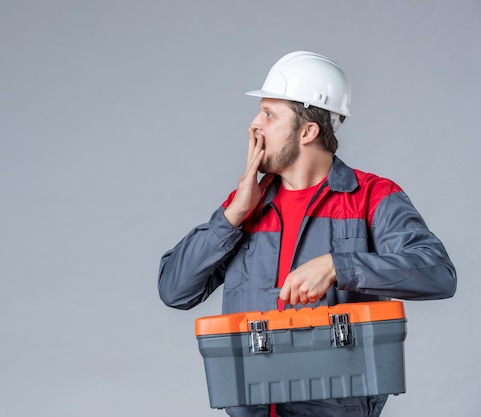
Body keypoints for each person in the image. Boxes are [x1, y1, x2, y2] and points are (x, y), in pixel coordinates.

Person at [157, 51, 457, 417]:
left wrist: (339, 266)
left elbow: (437, 273)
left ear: (308, 131)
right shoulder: (246, 206)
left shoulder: (372, 198)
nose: (254, 124)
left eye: (269, 114)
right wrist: (232, 214)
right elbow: (174, 290)